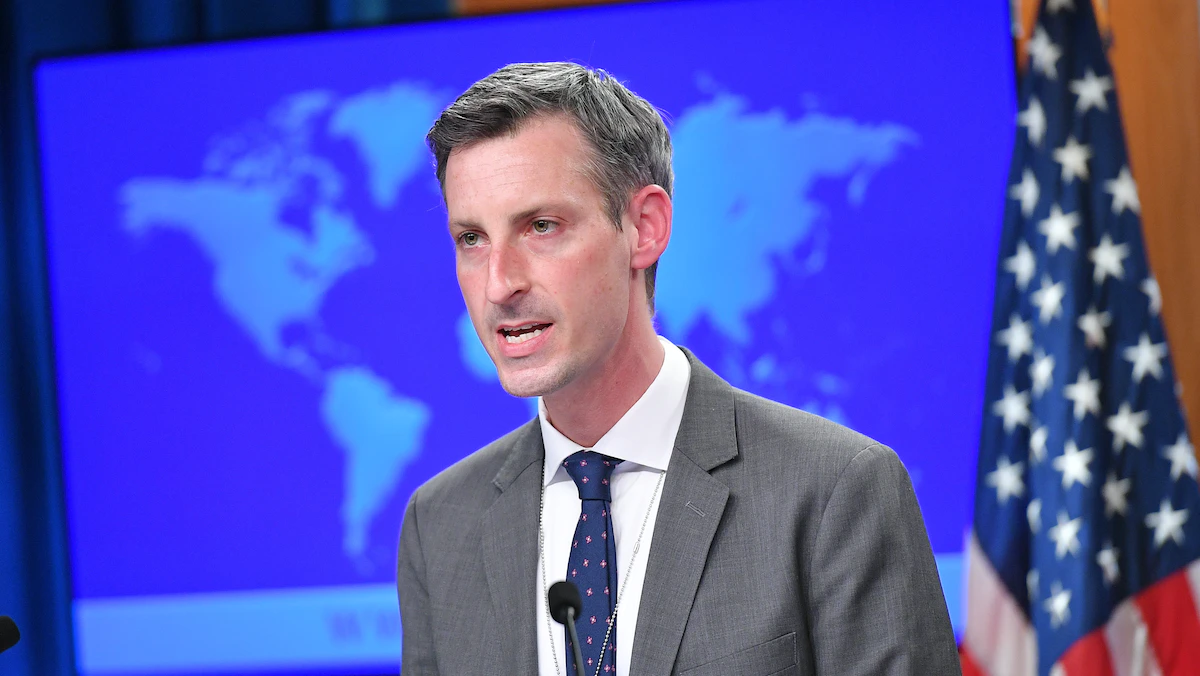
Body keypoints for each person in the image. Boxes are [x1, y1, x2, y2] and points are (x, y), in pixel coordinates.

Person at [397, 62, 960, 676]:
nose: (498, 284)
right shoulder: (439, 524)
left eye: (541, 226)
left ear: (645, 228)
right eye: (471, 239)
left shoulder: (835, 490)